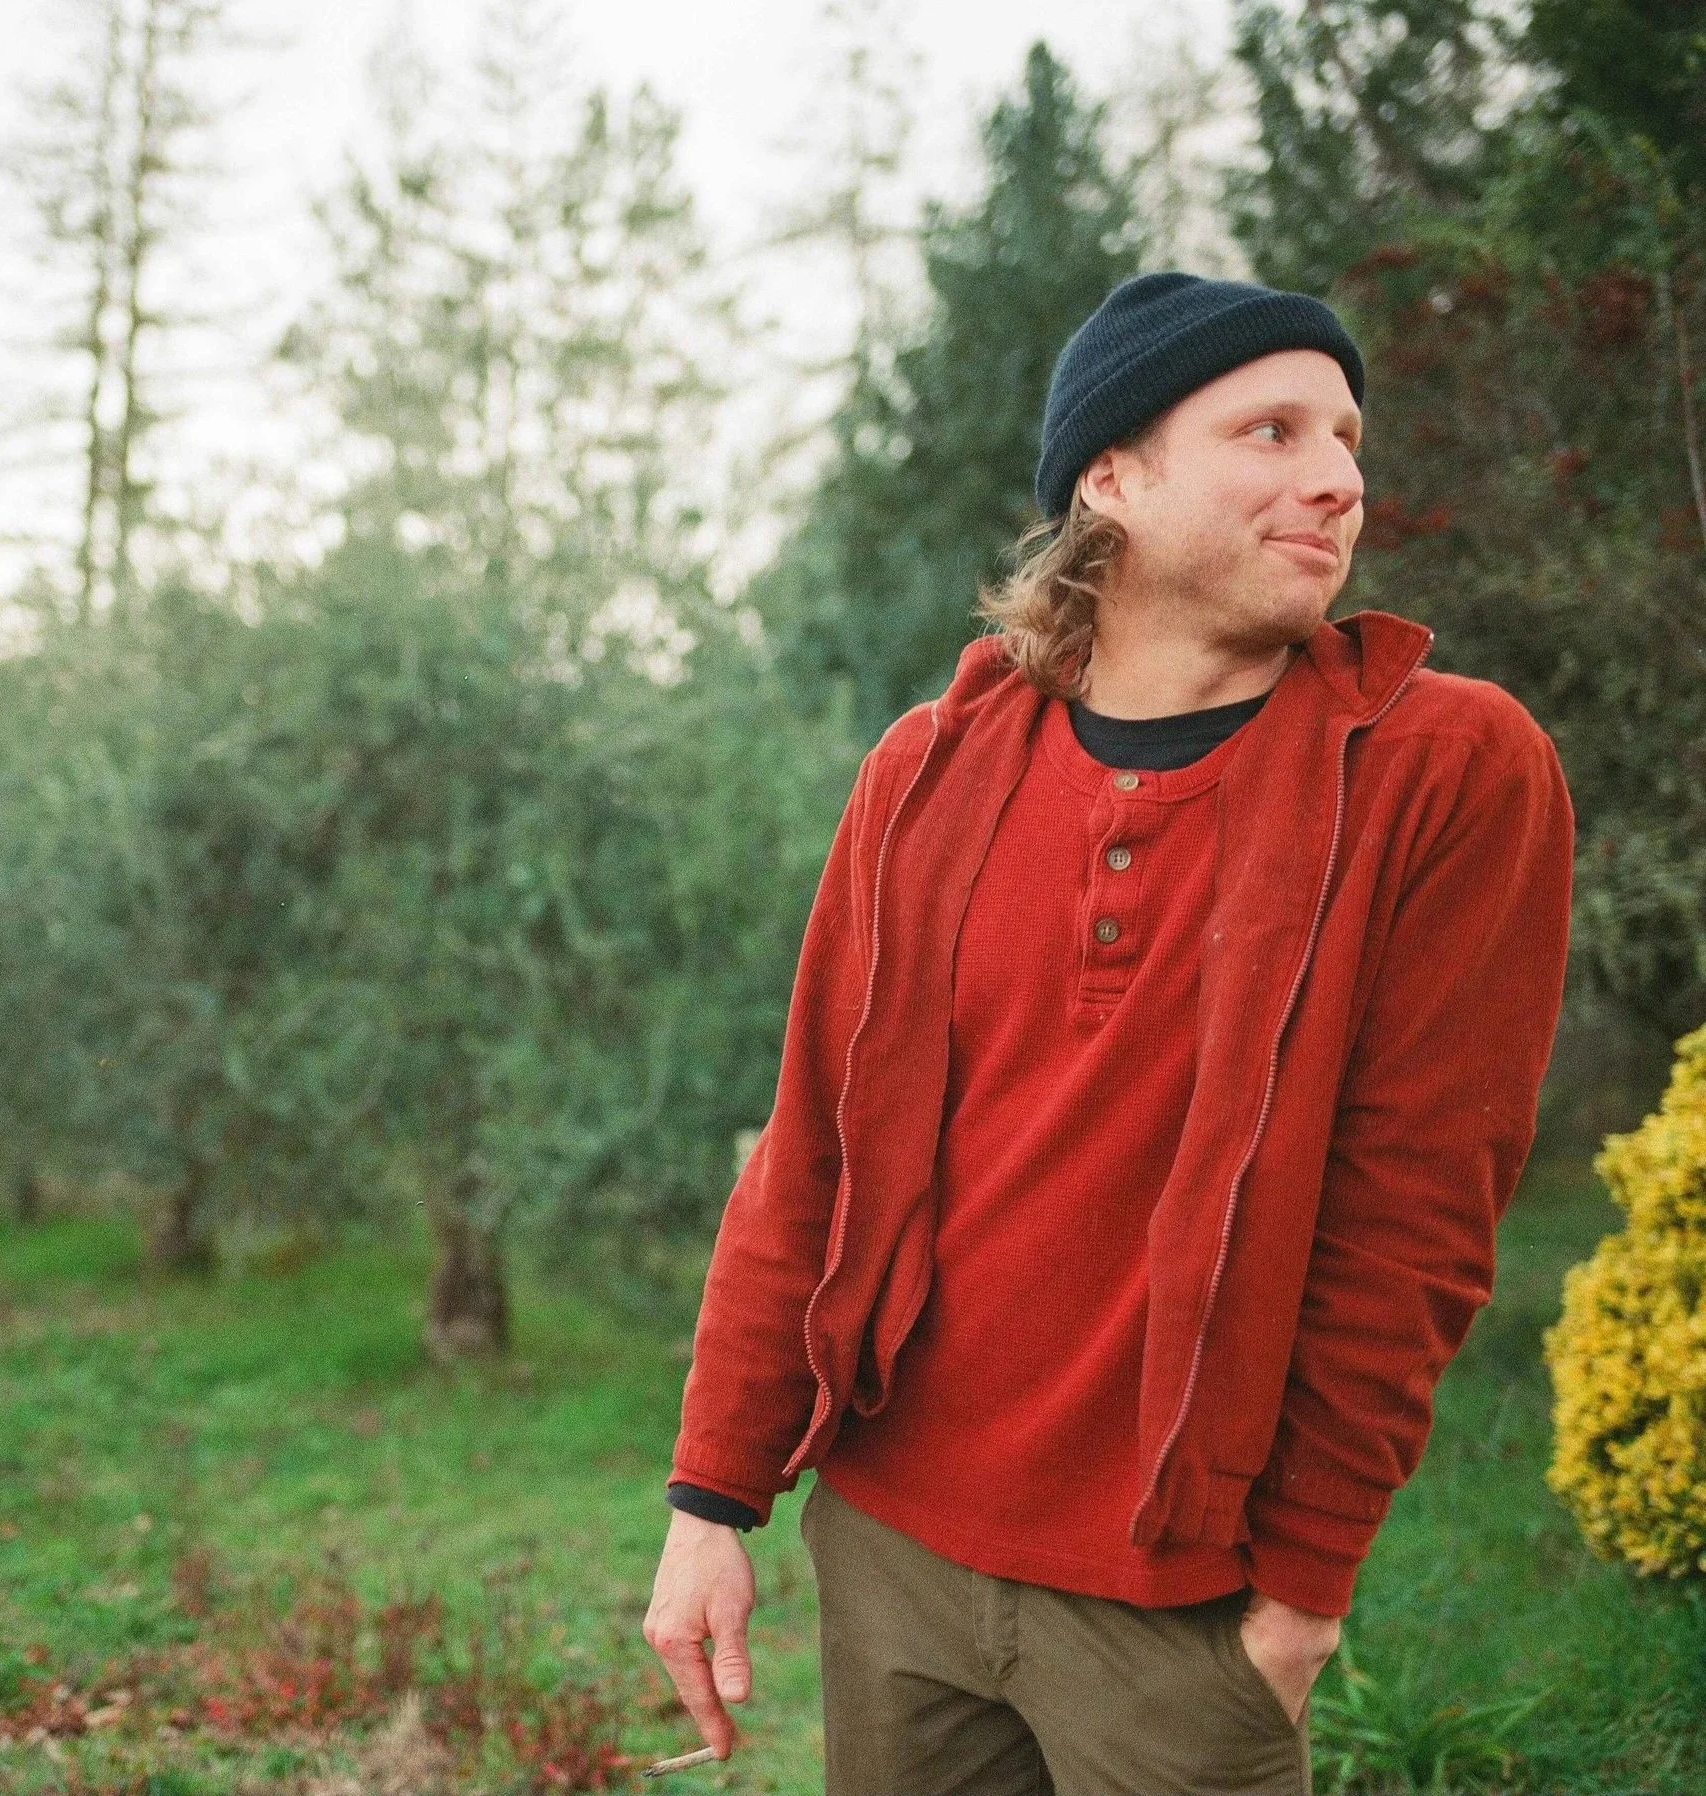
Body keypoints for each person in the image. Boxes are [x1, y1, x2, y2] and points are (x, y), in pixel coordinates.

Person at [640, 271, 1577, 1795]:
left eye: (1346, 439)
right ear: (1113, 479)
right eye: (1269, 430)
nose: (1336, 477)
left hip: (1181, 1608)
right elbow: (810, 1145)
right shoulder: (931, 768)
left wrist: (1300, 1597)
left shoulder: (1443, 768)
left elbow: (1419, 1208)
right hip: (891, 1556)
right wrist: (712, 1500)